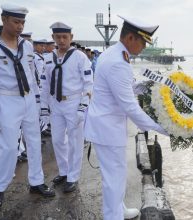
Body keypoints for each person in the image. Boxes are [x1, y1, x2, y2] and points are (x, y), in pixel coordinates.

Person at [84, 15, 168, 220]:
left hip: (105, 125)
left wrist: (146, 87)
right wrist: (160, 126)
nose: (144, 48)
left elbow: (123, 89)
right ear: (131, 38)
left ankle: (118, 209)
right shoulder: (118, 62)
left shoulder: (114, 54)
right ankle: (113, 216)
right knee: (114, 180)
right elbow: (130, 107)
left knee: (115, 176)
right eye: (143, 42)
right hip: (108, 129)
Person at [0, 4, 55, 210]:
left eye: (23, 22)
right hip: (7, 100)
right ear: (4, 20)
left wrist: (39, 103)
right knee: (8, 147)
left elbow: (31, 76)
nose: (20, 26)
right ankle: (0, 188)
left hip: (28, 99)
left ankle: (36, 181)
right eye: (16, 22)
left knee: (34, 141)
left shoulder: (27, 46)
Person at [40, 22, 93, 193]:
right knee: (57, 140)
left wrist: (82, 106)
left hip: (73, 102)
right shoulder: (48, 58)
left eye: (65, 37)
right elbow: (45, 84)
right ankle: (63, 171)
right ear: (53, 38)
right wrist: (44, 108)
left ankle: (73, 176)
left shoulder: (79, 57)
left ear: (71, 37)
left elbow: (88, 83)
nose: (61, 40)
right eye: (58, 37)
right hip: (56, 104)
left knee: (75, 141)